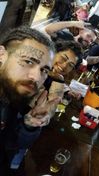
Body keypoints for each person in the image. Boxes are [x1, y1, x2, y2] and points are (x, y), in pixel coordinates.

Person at [0, 26, 58, 175]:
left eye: (44, 70)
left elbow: (11, 143)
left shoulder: (11, 96)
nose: (37, 77)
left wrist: (29, 125)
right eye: (28, 61)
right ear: (1, 54)